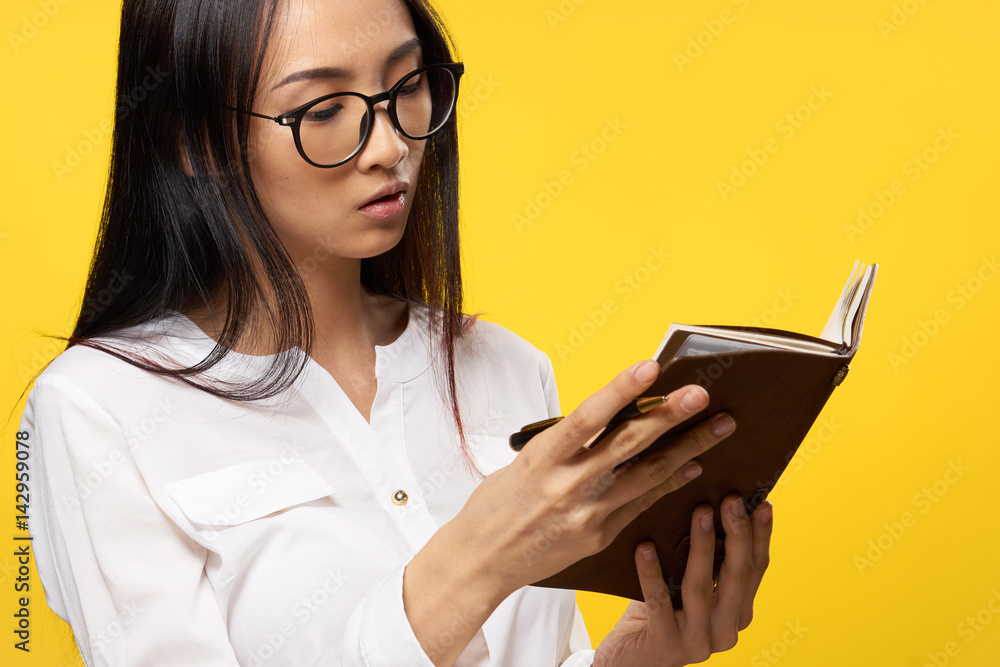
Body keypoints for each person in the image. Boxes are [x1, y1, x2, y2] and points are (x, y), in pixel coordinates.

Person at [20, 0, 773, 665]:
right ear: (192, 142)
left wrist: (632, 659)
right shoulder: (98, 410)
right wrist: (477, 562)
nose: (389, 147)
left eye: (407, 87)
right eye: (322, 111)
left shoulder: (505, 366)